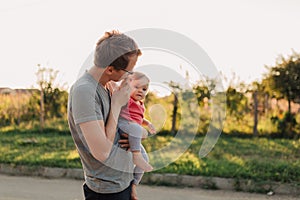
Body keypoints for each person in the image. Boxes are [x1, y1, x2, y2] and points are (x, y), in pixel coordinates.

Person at [67, 30, 142, 200]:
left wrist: (133, 136)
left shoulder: (108, 85)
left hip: (122, 183)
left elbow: (119, 127)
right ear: (110, 69)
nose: (129, 76)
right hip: (107, 190)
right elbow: (102, 153)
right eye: (128, 71)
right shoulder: (85, 91)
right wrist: (116, 105)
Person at [118, 71, 156, 200]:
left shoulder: (140, 104)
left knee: (145, 159)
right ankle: (136, 154)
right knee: (135, 128)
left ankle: (134, 184)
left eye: (144, 89)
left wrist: (148, 123)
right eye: (137, 87)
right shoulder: (126, 100)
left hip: (133, 131)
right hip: (123, 125)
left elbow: (139, 118)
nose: (141, 91)